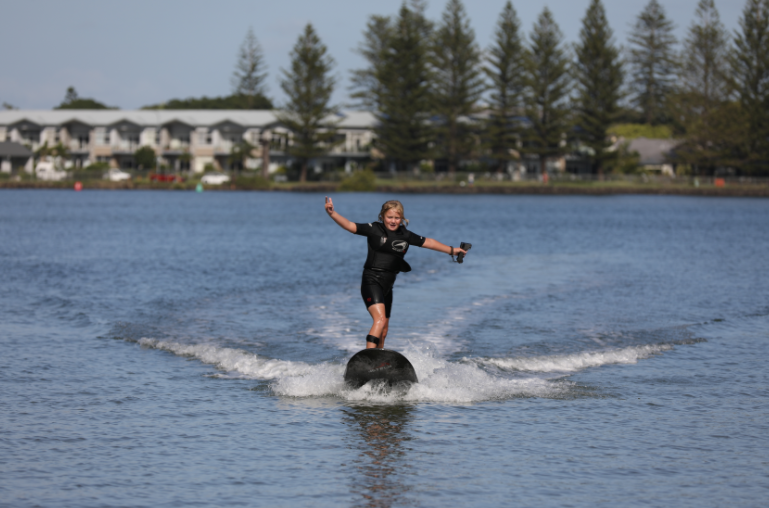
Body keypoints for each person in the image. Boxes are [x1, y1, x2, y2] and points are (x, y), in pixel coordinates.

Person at [325, 197, 467, 350]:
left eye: (397, 217)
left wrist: (452, 250)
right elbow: (349, 225)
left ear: (402, 218)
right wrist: (333, 214)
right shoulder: (374, 229)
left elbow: (430, 242)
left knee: (384, 330)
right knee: (379, 320)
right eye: (390, 217)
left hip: (388, 285)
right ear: (382, 217)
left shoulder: (405, 235)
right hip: (372, 280)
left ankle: (378, 360)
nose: (393, 221)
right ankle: (368, 358)